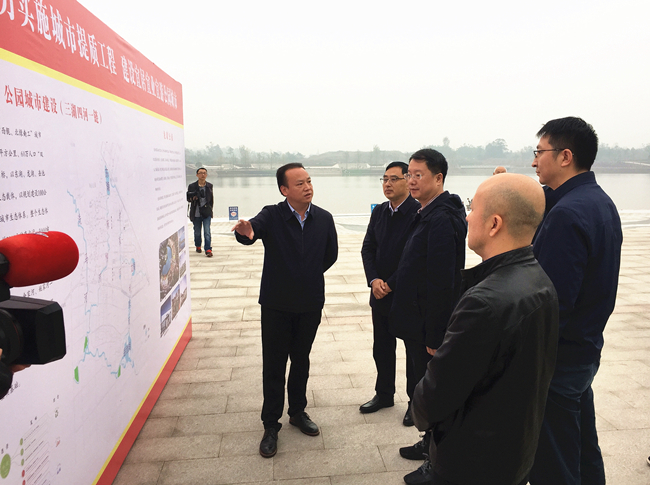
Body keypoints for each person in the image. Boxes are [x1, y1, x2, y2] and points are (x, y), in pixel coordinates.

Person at [409, 173, 559, 485]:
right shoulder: (539, 279)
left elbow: (436, 394)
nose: (467, 216)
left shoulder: (485, 302)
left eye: (473, 208)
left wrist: (420, 410)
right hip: (513, 451)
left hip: (472, 459)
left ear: (494, 224)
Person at [529, 117, 623, 485]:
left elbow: (553, 303)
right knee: (583, 449)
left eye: (539, 152)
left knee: (555, 462)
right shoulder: (599, 202)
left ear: (565, 156)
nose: (534, 161)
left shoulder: (567, 215)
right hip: (584, 349)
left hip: (560, 360)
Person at [232, 163, 338, 458]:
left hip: (310, 303)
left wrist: (306, 275)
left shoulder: (324, 218)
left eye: (309, 181)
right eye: (300, 183)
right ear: (284, 190)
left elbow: (330, 255)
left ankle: (298, 412)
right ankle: (270, 424)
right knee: (274, 365)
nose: (307, 187)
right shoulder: (272, 215)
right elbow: (252, 230)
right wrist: (246, 232)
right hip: (276, 305)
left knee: (301, 360)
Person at [389, 149, 466, 444]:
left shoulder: (441, 219)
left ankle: (435, 452)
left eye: (418, 175)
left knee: (430, 389)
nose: (411, 181)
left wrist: (435, 334)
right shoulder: (426, 212)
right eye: (409, 174)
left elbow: (442, 281)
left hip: (427, 325)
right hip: (416, 320)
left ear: (438, 178)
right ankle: (428, 443)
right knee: (420, 384)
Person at [359, 162, 419, 416]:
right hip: (379, 293)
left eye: (394, 179)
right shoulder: (380, 212)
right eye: (385, 179)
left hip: (406, 294)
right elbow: (368, 248)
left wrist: (391, 283)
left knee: (413, 352)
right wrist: (374, 280)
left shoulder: (417, 212)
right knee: (382, 347)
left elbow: (413, 257)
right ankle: (384, 394)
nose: (388, 184)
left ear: (408, 180)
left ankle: (415, 403)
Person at [187, 167, 214, 257]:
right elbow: (188, 199)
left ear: (206, 175)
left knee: (207, 231)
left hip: (206, 212)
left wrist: (210, 210)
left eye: (204, 173)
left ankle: (208, 249)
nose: (203, 175)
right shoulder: (192, 186)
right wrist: (194, 197)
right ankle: (198, 245)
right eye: (201, 173)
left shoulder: (209, 186)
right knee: (197, 232)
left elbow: (211, 199)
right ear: (197, 175)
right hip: (196, 213)